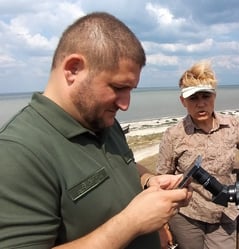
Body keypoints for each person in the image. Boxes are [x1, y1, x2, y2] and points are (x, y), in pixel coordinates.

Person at [0, 12, 191, 249]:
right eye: (119, 87)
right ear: (73, 69)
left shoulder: (104, 121)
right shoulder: (17, 152)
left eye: (131, 89)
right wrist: (131, 223)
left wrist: (149, 181)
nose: (125, 104)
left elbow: (120, 165)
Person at [156, 61, 239, 249]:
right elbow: (162, 179)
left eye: (206, 96)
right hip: (186, 216)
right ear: (183, 101)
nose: (201, 103)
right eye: (193, 98)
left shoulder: (231, 125)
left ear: (214, 97)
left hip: (223, 213)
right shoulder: (174, 135)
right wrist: (162, 225)